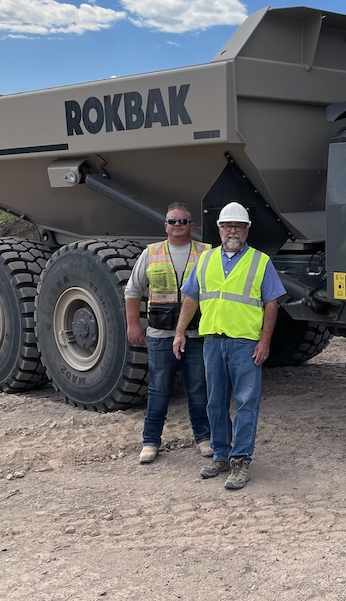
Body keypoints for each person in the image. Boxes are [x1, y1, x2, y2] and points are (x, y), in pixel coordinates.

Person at [173, 201, 284, 490]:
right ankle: (221, 456)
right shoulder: (206, 260)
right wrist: (180, 332)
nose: (232, 230)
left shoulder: (261, 262)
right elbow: (191, 297)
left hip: (245, 345)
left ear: (247, 230)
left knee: (247, 403)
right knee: (216, 402)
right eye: (227, 226)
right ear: (219, 229)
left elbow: (272, 304)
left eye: (239, 226)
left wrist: (264, 341)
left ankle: (241, 461)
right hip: (212, 341)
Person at [124, 202, 212, 465]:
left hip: (197, 334)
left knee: (198, 389)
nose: (177, 225)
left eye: (183, 221)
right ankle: (150, 442)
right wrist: (133, 325)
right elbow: (132, 291)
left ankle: (204, 438)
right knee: (159, 389)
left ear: (191, 226)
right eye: (172, 221)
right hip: (160, 335)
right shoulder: (151, 253)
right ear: (165, 226)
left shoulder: (206, 253)